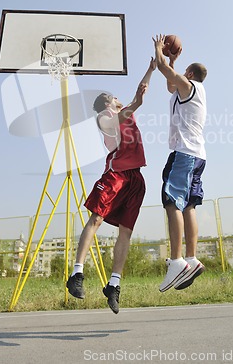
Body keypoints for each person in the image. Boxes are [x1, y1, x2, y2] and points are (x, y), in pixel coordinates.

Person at [66, 58, 156, 313]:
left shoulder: (124, 114)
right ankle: (77, 274)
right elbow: (134, 103)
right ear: (108, 101)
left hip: (135, 179)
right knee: (96, 219)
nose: (119, 98)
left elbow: (137, 99)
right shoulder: (105, 116)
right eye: (115, 97)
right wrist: (138, 95)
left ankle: (113, 285)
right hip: (116, 174)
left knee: (126, 232)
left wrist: (150, 69)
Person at [153, 34, 207, 292]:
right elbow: (169, 84)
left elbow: (165, 72)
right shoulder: (187, 91)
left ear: (190, 74)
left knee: (171, 199)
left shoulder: (189, 86)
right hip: (196, 155)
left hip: (184, 154)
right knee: (189, 205)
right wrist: (173, 60)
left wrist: (159, 53)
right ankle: (191, 258)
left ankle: (176, 261)